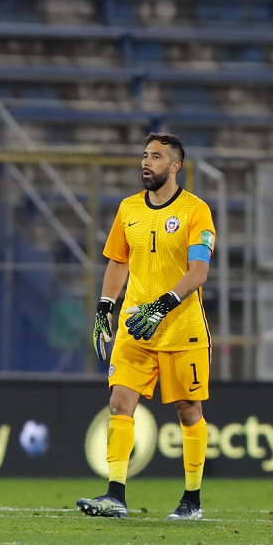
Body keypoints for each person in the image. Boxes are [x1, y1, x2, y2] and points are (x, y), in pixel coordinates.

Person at [81, 132, 216, 520]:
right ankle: (115, 495)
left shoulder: (196, 210)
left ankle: (191, 500)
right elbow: (118, 262)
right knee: (119, 401)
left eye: (156, 157)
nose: (146, 162)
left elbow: (200, 271)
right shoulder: (128, 210)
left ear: (175, 166)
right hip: (136, 325)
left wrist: (164, 303)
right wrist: (105, 306)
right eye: (144, 155)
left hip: (181, 327)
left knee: (189, 410)